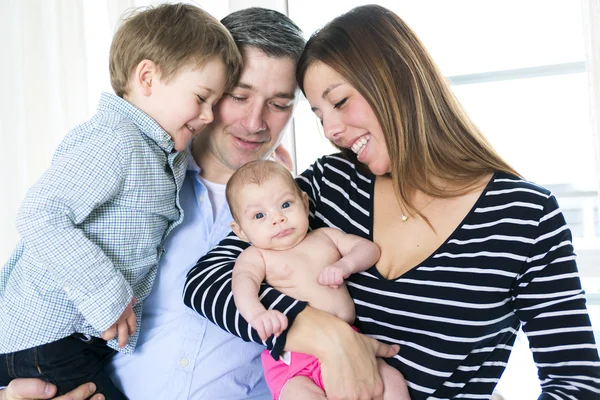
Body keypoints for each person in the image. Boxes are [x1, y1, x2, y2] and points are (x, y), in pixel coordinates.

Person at [185, 4, 600, 400]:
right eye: (317, 113)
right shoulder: (330, 185)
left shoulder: (526, 216)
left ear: (397, 80)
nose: (331, 129)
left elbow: (577, 382)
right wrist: (319, 333)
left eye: (340, 102)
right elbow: (207, 281)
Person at [0, 3, 241, 399]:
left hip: (67, 339)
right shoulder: (118, 140)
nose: (208, 115)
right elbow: (40, 214)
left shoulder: (155, 149)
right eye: (200, 98)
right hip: (49, 338)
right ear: (147, 77)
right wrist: (108, 297)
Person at [227, 160, 410, 400]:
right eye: (260, 215)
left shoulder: (325, 237)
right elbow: (242, 286)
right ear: (240, 231)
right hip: (294, 359)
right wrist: (258, 315)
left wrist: (345, 264)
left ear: (304, 203)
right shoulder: (256, 256)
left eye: (285, 204)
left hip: (350, 341)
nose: (278, 218)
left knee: (393, 381)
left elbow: (368, 249)